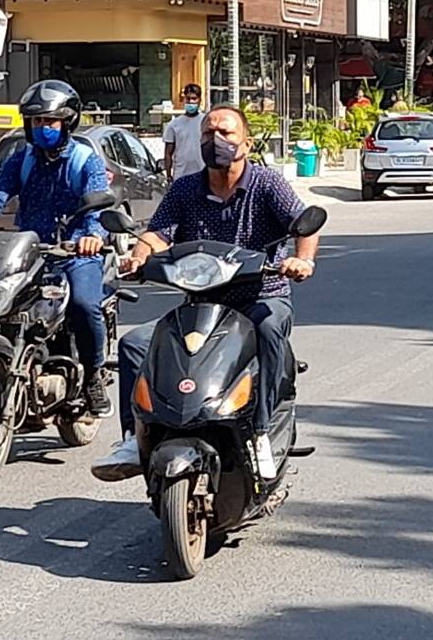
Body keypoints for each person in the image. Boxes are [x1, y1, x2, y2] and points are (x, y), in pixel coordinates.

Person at [92, 104, 321, 484]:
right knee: (135, 345)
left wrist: (302, 260)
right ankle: (136, 438)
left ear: (245, 143)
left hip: (261, 297)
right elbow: (158, 233)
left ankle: (262, 432)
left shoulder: (267, 185)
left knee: (268, 331)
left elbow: (305, 224)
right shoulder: (185, 188)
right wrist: (139, 254)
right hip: (201, 304)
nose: (215, 140)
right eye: (207, 133)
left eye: (226, 133)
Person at [0, 80, 114, 416]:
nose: (42, 128)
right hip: (30, 251)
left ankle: (94, 374)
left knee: (83, 304)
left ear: (67, 121)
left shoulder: (85, 161)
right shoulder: (22, 158)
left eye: (49, 121)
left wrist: (91, 235)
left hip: (75, 250)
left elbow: (96, 206)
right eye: (36, 122)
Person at [162, 83, 206, 182]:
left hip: (203, 175)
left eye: (194, 99)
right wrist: (168, 175)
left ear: (200, 100)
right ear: (184, 99)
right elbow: (168, 153)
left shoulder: (206, 122)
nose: (191, 102)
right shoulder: (174, 125)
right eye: (188, 99)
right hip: (181, 176)